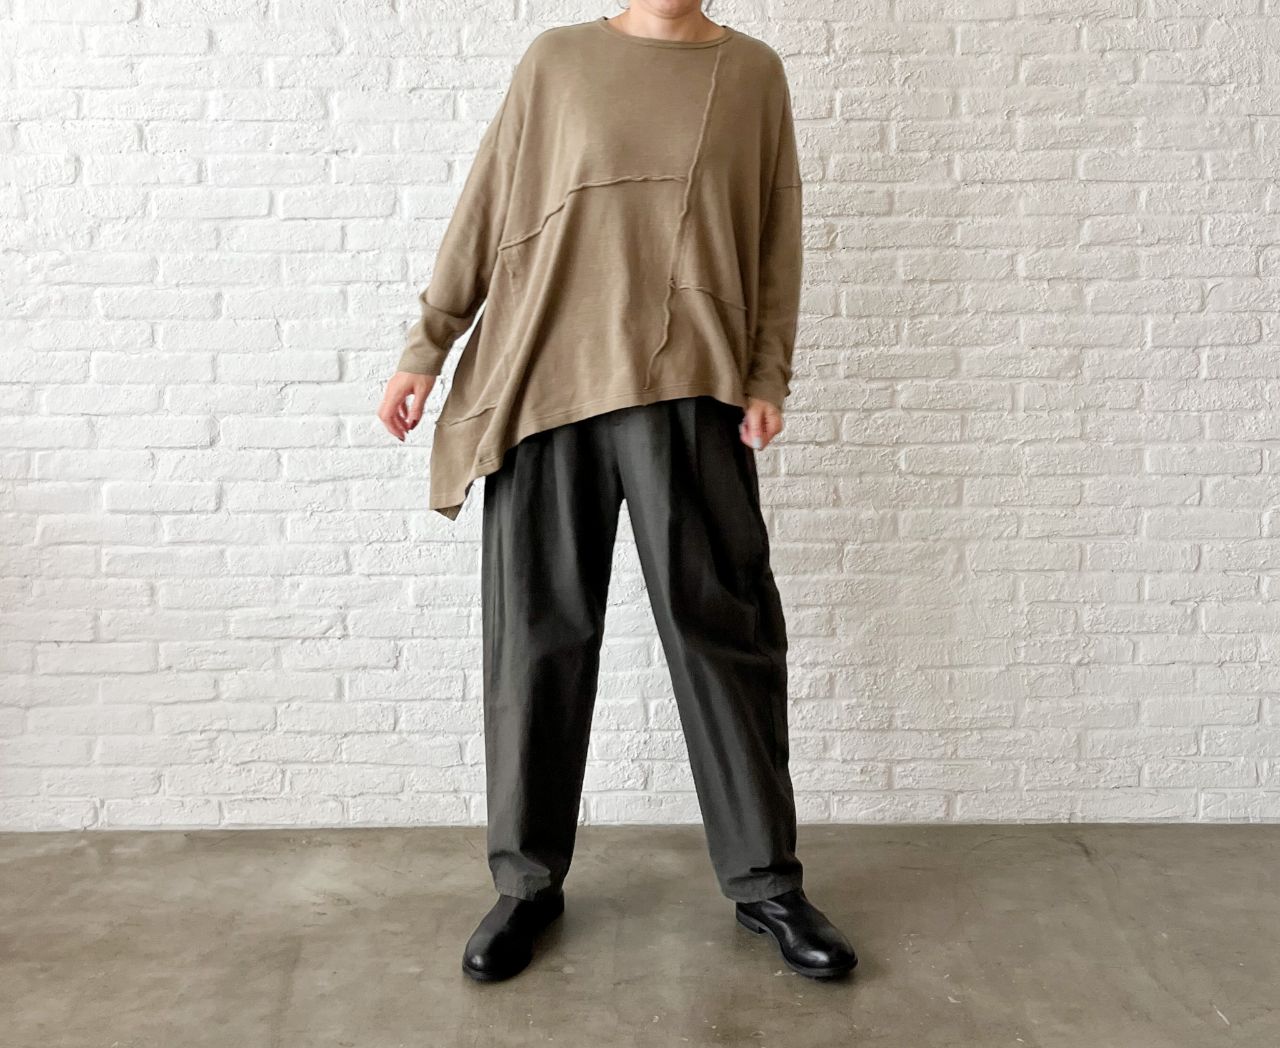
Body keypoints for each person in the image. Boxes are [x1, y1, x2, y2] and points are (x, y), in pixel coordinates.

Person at [377, 1, 857, 983]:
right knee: (538, 637)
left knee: (721, 630)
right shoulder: (557, 62)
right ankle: (525, 883)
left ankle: (765, 882)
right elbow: (487, 203)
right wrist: (427, 345)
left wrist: (767, 373)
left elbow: (776, 238)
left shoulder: (752, 74)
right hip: (544, 381)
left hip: (690, 384)